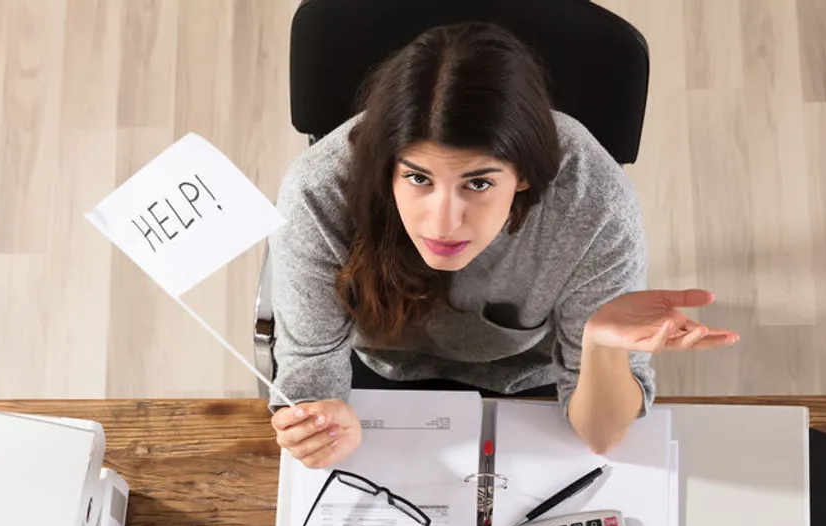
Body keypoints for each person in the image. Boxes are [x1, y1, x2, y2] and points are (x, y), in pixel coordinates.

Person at [268, 21, 738, 469]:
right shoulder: (319, 190)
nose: (444, 222)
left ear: (525, 175)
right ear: (386, 165)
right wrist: (319, 424)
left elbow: (601, 436)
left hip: (530, 374)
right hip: (377, 370)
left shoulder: (593, 201)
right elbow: (312, 381)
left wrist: (600, 345)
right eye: (417, 177)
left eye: (477, 183)